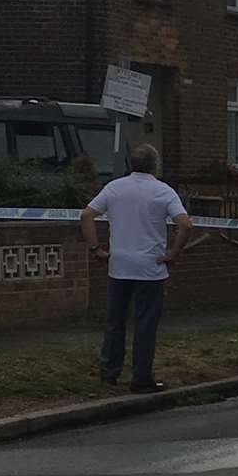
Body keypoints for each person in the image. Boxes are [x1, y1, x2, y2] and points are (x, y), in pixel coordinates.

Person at [80, 144, 193, 393]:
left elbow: (86, 215)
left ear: (131, 165)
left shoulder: (114, 188)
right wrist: (173, 254)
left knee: (115, 321)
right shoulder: (163, 191)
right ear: (156, 165)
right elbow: (185, 224)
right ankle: (141, 378)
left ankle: (109, 373)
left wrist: (95, 249)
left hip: (118, 266)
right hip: (150, 269)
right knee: (145, 325)